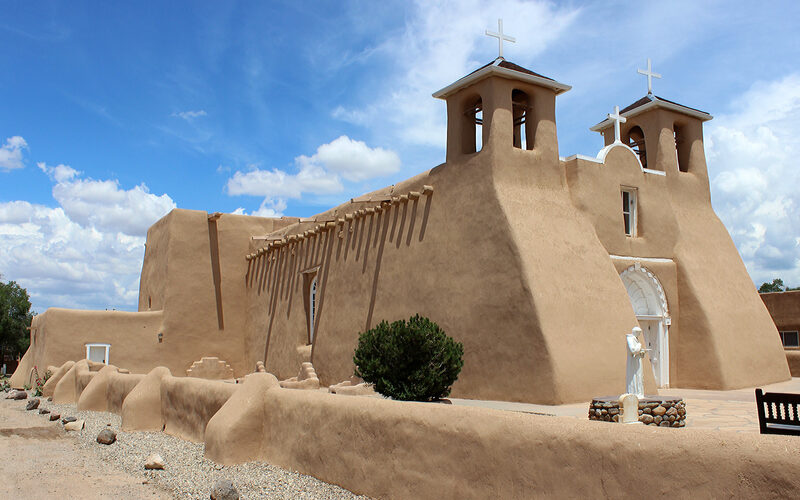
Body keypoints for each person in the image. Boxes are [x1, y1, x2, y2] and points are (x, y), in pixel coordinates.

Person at [626, 327, 647, 398]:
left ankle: (638, 392)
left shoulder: (636, 339)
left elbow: (637, 351)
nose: (639, 334)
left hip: (637, 361)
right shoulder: (630, 339)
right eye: (639, 333)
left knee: (639, 376)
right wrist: (639, 346)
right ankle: (634, 392)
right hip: (633, 361)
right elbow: (633, 350)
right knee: (634, 376)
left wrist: (642, 351)